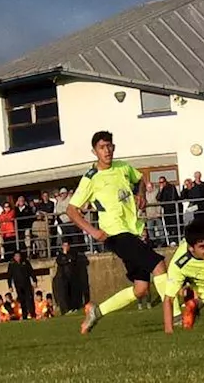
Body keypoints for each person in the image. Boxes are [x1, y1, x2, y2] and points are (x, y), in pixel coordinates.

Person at [66, 131, 170, 334]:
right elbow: (71, 210)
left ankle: (97, 311)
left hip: (134, 230)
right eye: (102, 147)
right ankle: (174, 315)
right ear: (94, 151)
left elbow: (139, 179)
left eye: (109, 146)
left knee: (141, 289)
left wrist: (141, 195)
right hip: (115, 234)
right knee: (158, 265)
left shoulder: (123, 166)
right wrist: (94, 232)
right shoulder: (91, 178)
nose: (107, 150)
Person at [7, 249, 36, 320]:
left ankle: (32, 314)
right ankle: (24, 315)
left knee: (29, 299)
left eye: (19, 256)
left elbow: (31, 272)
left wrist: (34, 280)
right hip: (18, 286)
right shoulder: (12, 264)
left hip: (27, 284)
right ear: (14, 257)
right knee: (22, 300)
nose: (18, 257)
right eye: (16, 256)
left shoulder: (25, 262)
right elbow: (9, 276)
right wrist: (10, 286)